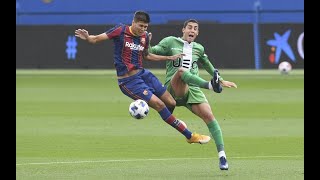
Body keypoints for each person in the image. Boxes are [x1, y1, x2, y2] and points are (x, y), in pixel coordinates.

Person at [74, 11, 211, 145]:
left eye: (145, 27)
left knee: (171, 102)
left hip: (144, 75)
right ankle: (189, 135)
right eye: (140, 26)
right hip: (128, 81)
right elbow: (96, 39)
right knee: (160, 105)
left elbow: (147, 55)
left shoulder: (144, 36)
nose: (143, 29)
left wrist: (169, 57)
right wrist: (88, 37)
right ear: (133, 22)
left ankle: (170, 119)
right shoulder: (120, 30)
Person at [148, 19, 238, 170]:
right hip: (172, 88)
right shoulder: (170, 42)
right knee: (182, 71)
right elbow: (151, 52)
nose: (192, 30)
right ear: (183, 30)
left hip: (193, 90)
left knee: (210, 117)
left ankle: (222, 156)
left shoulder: (199, 48)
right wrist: (147, 43)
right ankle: (209, 85)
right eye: (189, 27)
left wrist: (221, 80)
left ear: (197, 33)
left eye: (195, 29)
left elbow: (207, 64)